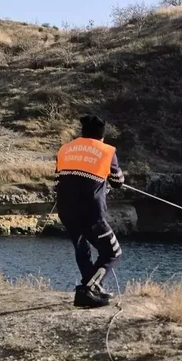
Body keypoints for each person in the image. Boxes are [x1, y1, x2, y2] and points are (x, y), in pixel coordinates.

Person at [55, 115, 126, 308]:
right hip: (91, 213)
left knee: (82, 249)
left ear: (82, 133)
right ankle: (88, 289)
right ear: (102, 136)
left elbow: (58, 177)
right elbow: (118, 181)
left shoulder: (65, 149)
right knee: (113, 252)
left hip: (66, 209)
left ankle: (94, 289)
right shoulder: (107, 151)